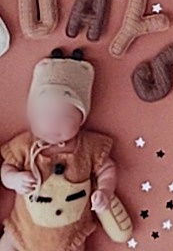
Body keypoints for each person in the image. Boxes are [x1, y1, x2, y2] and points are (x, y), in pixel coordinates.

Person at [1, 50, 126, 251]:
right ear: (31, 114)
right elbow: (6, 169)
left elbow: (107, 169)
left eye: (65, 117)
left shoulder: (88, 147)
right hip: (22, 232)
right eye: (44, 114)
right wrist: (14, 179)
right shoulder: (25, 144)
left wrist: (105, 190)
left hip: (69, 238)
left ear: (81, 119)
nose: (53, 124)